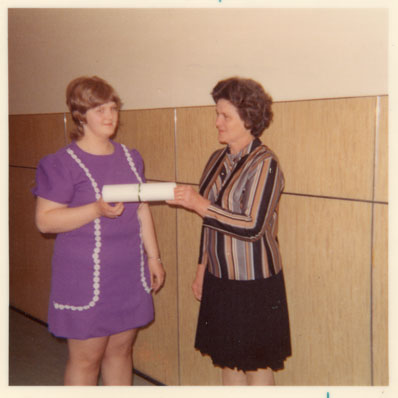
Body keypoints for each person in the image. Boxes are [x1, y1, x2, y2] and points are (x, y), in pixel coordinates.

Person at [33, 76, 165, 386]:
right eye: (98, 110)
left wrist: (154, 257)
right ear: (80, 115)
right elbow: (45, 221)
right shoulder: (61, 164)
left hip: (128, 275)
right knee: (86, 359)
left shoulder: (131, 158)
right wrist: (95, 209)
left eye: (113, 108)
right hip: (84, 278)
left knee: (120, 352)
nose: (109, 117)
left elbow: (142, 208)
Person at [168, 77, 291, 386]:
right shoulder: (215, 160)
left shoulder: (266, 163)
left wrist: (199, 204)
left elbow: (252, 226)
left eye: (225, 116)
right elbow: (209, 221)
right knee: (228, 360)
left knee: (256, 363)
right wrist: (201, 269)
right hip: (220, 278)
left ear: (248, 119)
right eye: (217, 113)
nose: (217, 122)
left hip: (254, 281)